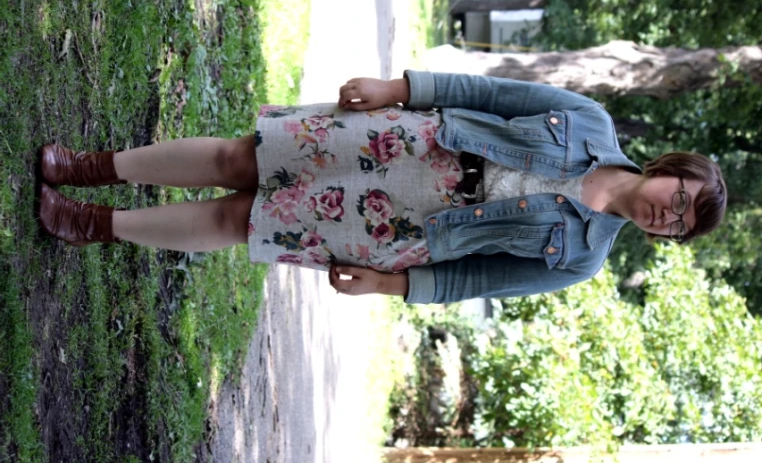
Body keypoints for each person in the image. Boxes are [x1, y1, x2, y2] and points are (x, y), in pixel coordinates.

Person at [38, 71, 727, 304]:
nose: (671, 215)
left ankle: (93, 225)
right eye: (681, 199)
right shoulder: (589, 122)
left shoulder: (582, 260)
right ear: (671, 168)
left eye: (681, 225)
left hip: (397, 229)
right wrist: (397, 89)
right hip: (404, 139)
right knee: (235, 160)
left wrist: (388, 286)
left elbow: (476, 282)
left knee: (237, 222)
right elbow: (488, 92)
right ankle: (89, 167)